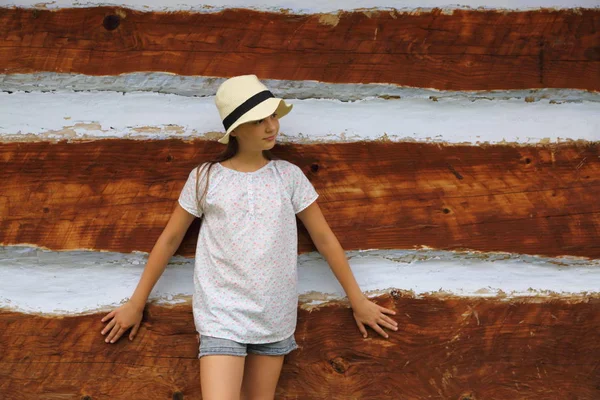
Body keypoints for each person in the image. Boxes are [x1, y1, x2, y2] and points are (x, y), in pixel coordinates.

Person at [100, 75, 398, 400]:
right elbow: (170, 239)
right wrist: (136, 303)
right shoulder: (205, 178)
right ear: (236, 129)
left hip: (275, 316)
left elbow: (325, 239)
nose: (271, 126)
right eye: (259, 121)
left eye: (273, 116)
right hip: (221, 315)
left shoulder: (288, 177)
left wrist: (358, 301)